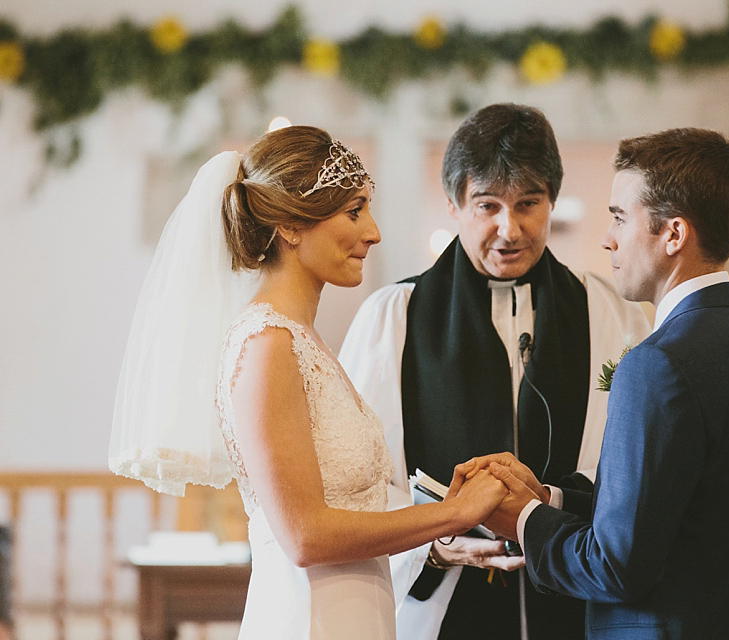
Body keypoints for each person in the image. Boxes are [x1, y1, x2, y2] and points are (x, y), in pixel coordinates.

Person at [109, 125, 507, 640]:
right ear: (293, 226)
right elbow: (305, 537)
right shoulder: (267, 346)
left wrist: (434, 525)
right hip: (310, 620)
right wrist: (453, 515)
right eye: (353, 211)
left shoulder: (304, 339)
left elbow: (350, 509)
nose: (374, 232)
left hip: (356, 614)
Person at [459, 128, 729, 639]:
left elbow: (616, 566)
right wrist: (553, 498)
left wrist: (524, 519)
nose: (608, 237)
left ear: (673, 234)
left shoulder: (659, 363)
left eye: (621, 217)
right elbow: (689, 512)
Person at [339, 104, 651, 640]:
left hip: (573, 587)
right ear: (454, 205)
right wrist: (435, 540)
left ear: (553, 201)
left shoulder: (610, 312)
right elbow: (357, 479)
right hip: (439, 603)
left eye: (529, 203)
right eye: (488, 205)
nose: (510, 229)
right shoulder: (395, 317)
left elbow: (631, 460)